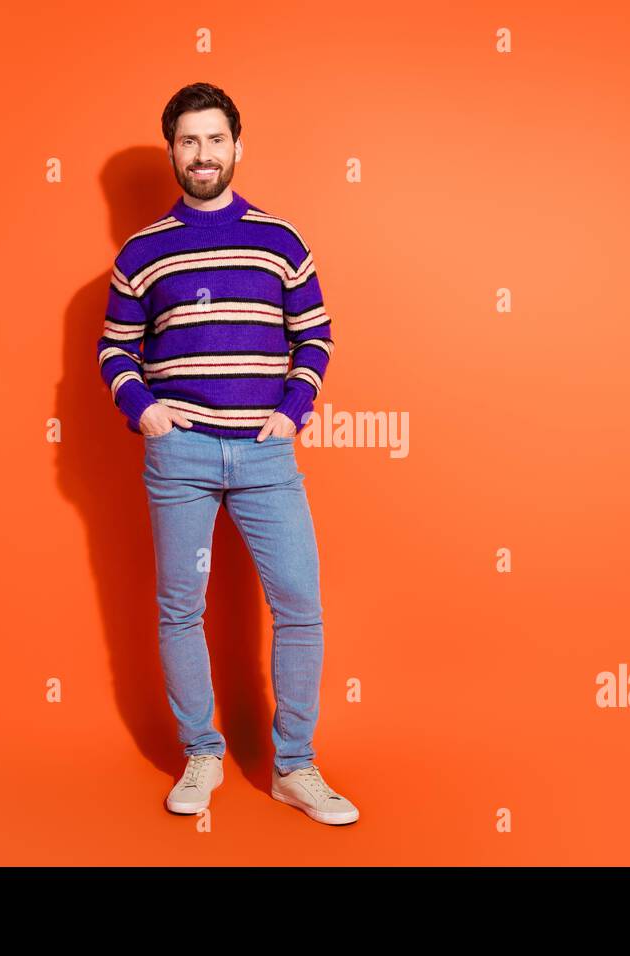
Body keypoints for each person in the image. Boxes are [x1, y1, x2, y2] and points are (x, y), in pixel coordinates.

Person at [96, 82, 358, 825]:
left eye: (215, 140)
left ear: (237, 147)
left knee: (300, 605)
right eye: (188, 141)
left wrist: (292, 411)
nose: (202, 154)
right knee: (181, 608)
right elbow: (115, 347)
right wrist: (144, 412)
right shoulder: (143, 250)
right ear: (172, 151)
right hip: (179, 456)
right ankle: (202, 753)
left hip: (265, 454)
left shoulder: (282, 239)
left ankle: (295, 767)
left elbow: (316, 335)